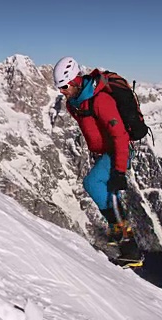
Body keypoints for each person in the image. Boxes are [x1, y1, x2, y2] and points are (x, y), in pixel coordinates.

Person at [53, 56, 132, 242]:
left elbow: (120, 135)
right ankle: (123, 238)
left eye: (64, 87)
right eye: (59, 88)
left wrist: (120, 171)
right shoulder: (74, 103)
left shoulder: (100, 100)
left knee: (92, 183)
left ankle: (128, 244)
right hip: (105, 152)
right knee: (111, 195)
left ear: (75, 81)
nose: (62, 92)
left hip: (119, 150)